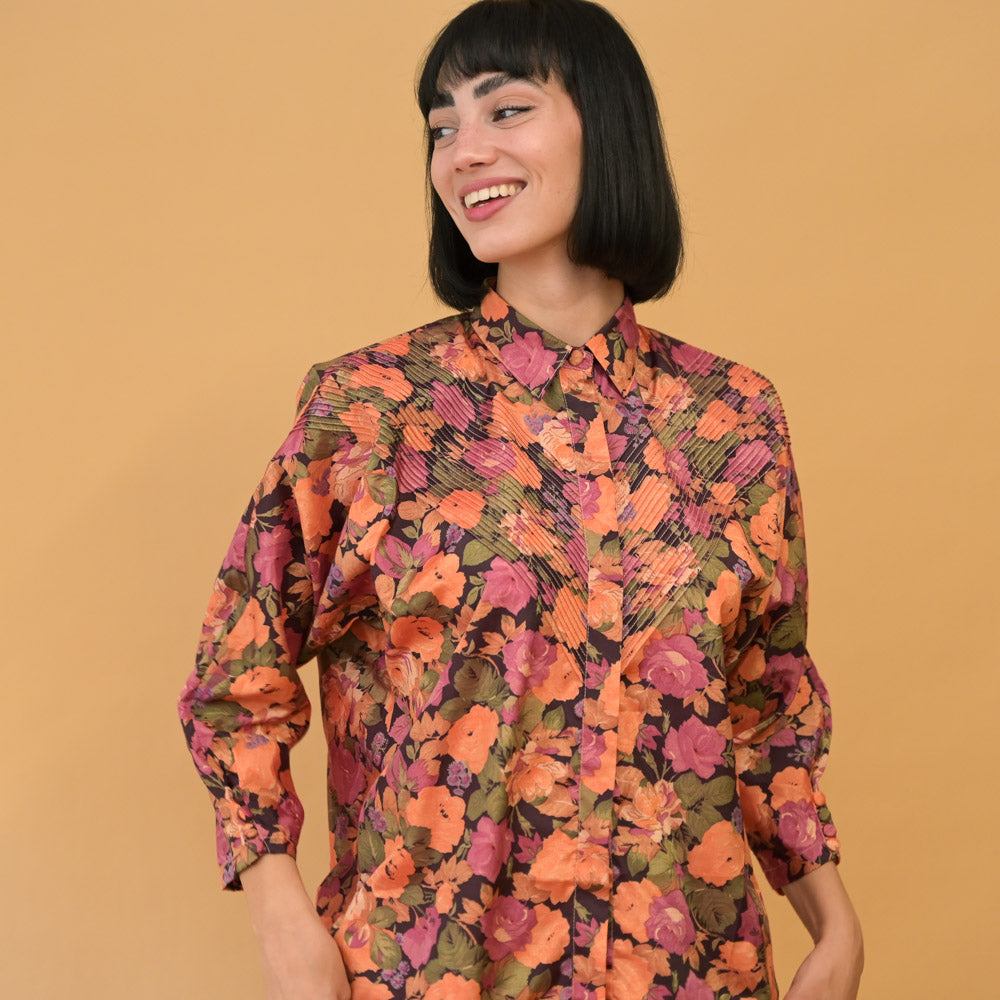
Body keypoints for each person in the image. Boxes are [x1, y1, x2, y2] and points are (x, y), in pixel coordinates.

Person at [178, 1, 864, 998]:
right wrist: (280, 916)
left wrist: (834, 925)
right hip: (433, 975)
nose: (464, 151)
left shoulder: (733, 420)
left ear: (606, 123)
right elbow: (237, 673)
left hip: (689, 976)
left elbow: (766, 705)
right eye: (442, 127)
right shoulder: (373, 407)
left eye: (506, 110)